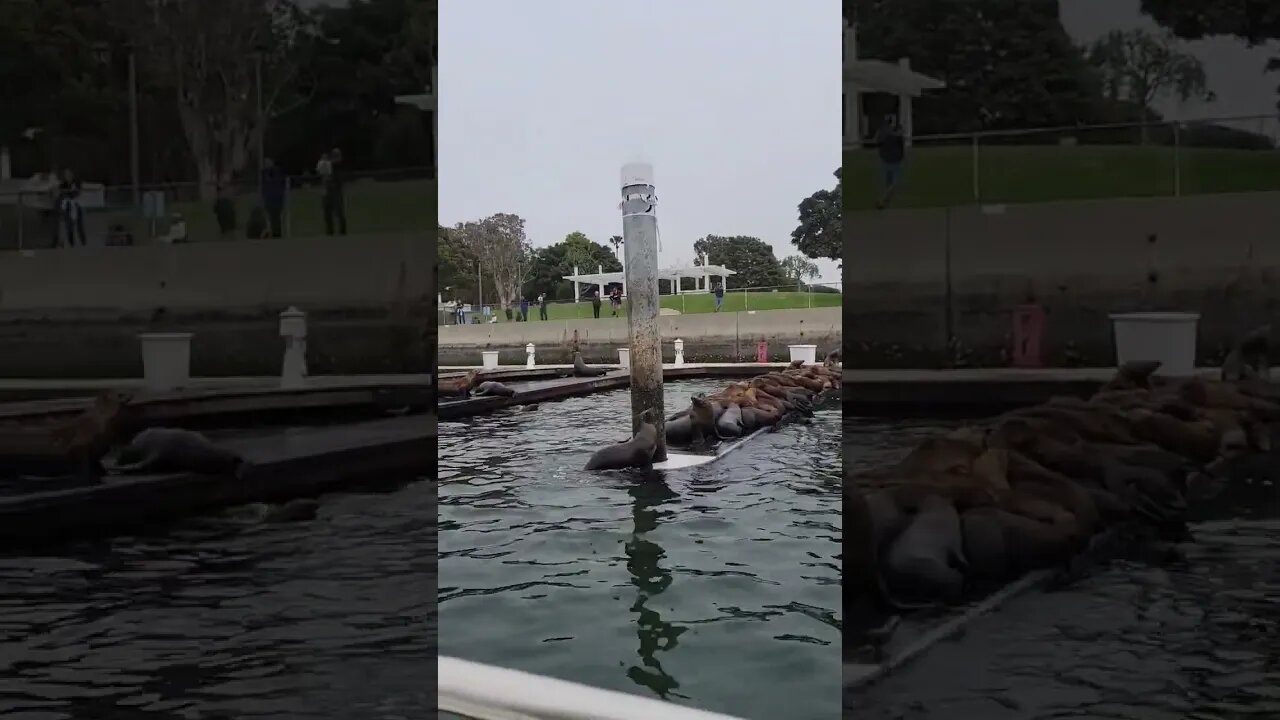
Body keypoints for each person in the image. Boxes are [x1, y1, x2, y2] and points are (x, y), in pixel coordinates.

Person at [875, 113, 906, 209]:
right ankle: (882, 200)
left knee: (889, 182)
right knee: (894, 183)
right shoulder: (895, 134)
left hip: (886, 159)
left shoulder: (883, 133)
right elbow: (900, 142)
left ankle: (886, 201)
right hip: (894, 160)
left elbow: (878, 142)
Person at [321, 147, 347, 236]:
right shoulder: (328, 165)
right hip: (328, 191)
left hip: (336, 191)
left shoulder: (338, 166)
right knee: (327, 213)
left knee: (339, 212)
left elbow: (338, 178)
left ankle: (342, 232)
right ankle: (330, 232)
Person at [57, 169, 86, 246]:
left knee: (80, 226)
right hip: (67, 206)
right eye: (66, 175)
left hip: (76, 205)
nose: (68, 176)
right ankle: (71, 243)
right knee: (69, 226)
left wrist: (71, 192)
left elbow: (77, 192)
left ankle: (83, 243)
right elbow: (62, 193)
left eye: (69, 175)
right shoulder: (63, 184)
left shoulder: (76, 183)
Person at [261, 157, 287, 237]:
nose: (266, 164)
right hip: (269, 198)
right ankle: (273, 232)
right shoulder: (264, 173)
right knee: (272, 216)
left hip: (276, 197)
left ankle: (277, 233)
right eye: (265, 163)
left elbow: (281, 182)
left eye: (268, 162)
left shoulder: (276, 171)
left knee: (276, 216)